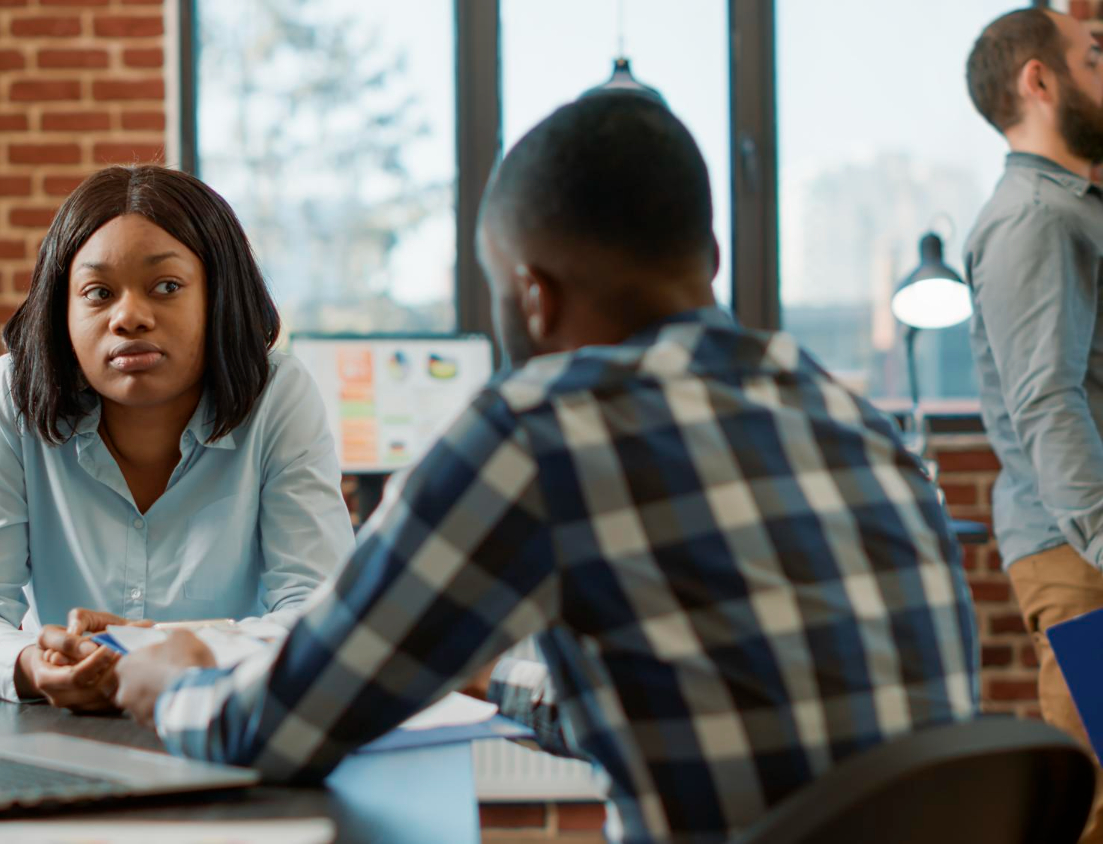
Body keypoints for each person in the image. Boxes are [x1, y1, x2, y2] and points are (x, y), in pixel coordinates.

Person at [107, 94, 980, 843]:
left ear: (532, 293)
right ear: (710, 262)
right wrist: (500, 681)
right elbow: (731, 704)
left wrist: (174, 682)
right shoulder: (843, 411)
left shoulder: (542, 426)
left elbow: (282, 727)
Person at [0, 165, 355, 710]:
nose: (129, 317)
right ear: (63, 311)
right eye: (98, 292)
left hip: (229, 725)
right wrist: (30, 664)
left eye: (167, 286)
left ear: (218, 298)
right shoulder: (15, 395)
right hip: (59, 737)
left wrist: (170, 654)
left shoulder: (278, 396)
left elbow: (323, 613)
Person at [966, 8, 1103, 840]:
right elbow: (1047, 399)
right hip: (1081, 558)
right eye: (1096, 56)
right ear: (1040, 80)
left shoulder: (1073, 207)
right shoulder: (1033, 219)